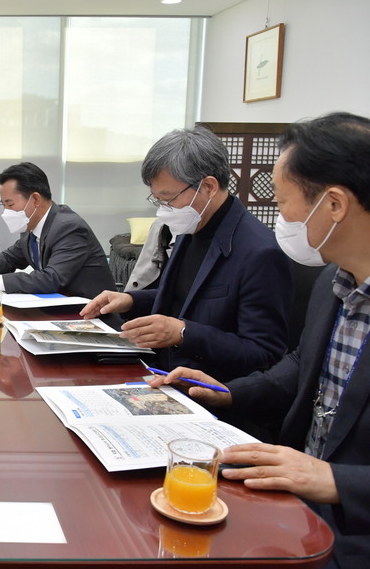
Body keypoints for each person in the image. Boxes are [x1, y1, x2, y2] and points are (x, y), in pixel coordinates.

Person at [151, 112, 370, 569]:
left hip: (352, 528)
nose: (280, 217)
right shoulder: (336, 286)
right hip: (294, 485)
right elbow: (295, 367)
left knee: (202, 563)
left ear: (333, 204)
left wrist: (336, 480)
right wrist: (226, 392)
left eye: (285, 202)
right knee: (171, 531)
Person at [80, 126, 292, 382]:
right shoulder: (191, 226)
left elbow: (264, 354)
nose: (163, 210)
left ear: (209, 187)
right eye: (157, 199)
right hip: (160, 372)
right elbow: (187, 297)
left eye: (168, 198)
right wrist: (131, 301)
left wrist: (183, 333)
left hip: (210, 390)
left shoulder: (260, 253)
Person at [0, 162, 115, 300]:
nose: (6, 211)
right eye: (4, 205)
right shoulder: (31, 225)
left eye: (10, 204)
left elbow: (51, 279)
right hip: (57, 308)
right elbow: (10, 258)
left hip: (90, 315)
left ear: (35, 200)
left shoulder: (69, 227)